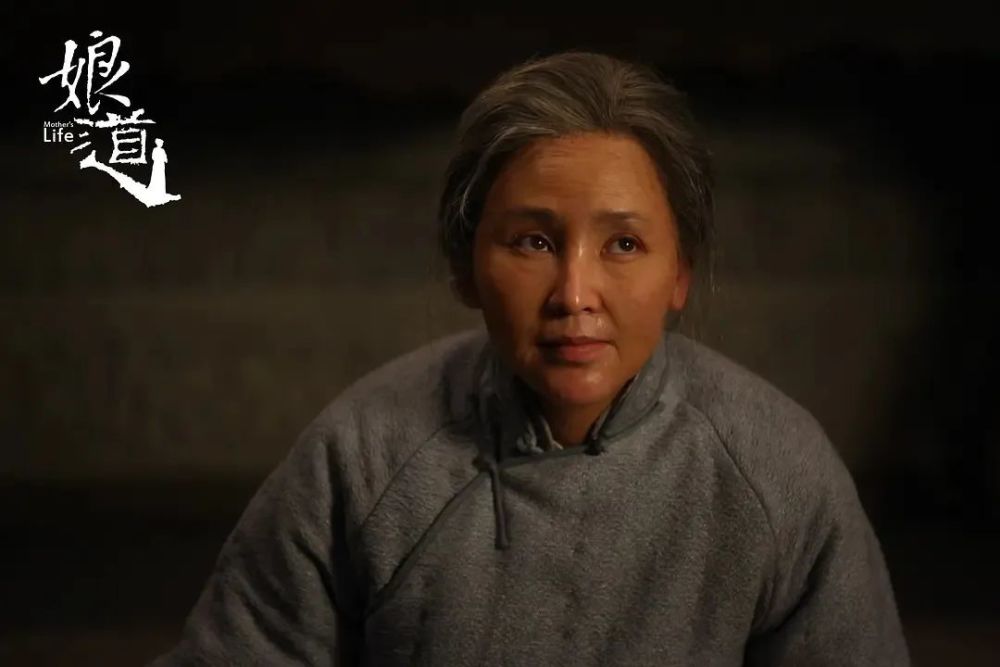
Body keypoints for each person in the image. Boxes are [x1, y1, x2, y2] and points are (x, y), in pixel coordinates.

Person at [149, 51, 910, 666]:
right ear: (465, 267)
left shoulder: (775, 470)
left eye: (623, 244)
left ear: (679, 273)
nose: (574, 294)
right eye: (534, 242)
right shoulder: (362, 457)